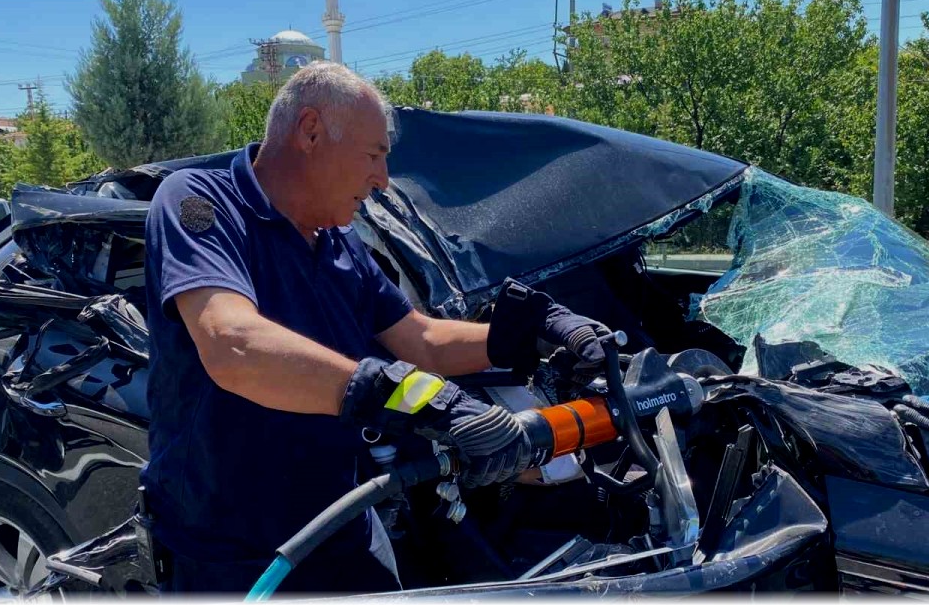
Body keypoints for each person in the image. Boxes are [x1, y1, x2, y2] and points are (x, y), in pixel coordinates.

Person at [140, 62, 608, 595]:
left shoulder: (338, 243)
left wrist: (531, 332)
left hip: (341, 524)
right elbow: (234, 345)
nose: (383, 179)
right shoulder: (199, 203)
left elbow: (421, 340)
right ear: (310, 131)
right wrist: (414, 399)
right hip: (228, 551)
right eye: (375, 155)